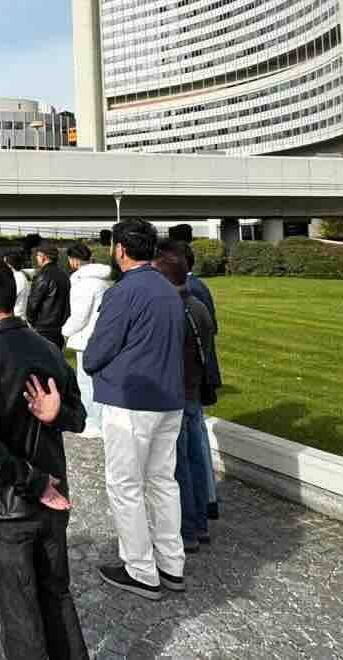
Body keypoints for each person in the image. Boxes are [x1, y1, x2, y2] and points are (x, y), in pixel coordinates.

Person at [0, 262, 89, 659]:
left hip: (7, 507)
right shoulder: (48, 348)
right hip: (50, 496)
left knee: (20, 610)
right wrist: (59, 414)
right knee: (56, 595)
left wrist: (55, 414)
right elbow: (79, 416)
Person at [84, 220, 188, 600]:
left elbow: (101, 346)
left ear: (121, 251)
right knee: (162, 482)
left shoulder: (124, 291)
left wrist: (90, 364)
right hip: (168, 397)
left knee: (126, 485)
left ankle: (141, 569)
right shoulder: (167, 287)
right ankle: (171, 563)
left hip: (131, 400)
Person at [155, 242, 219, 554]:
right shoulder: (199, 306)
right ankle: (200, 524)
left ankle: (188, 528)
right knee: (194, 458)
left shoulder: (173, 312)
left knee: (178, 465)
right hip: (192, 392)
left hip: (177, 394)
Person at [61, 243, 115, 433]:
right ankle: (99, 421)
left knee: (86, 382)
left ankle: (93, 423)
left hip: (85, 339)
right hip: (101, 336)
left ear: (73, 260)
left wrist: (64, 332)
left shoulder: (83, 283)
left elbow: (79, 316)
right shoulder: (102, 281)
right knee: (98, 381)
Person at [26, 245, 72, 350]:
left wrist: (31, 321)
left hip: (44, 327)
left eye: (37, 255)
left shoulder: (42, 275)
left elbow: (33, 303)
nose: (37, 258)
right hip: (61, 325)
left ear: (43, 257)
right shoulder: (64, 274)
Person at [4, 251, 31, 319]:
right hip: (21, 314)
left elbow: (11, 297)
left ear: (9, 265)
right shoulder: (21, 275)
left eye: (5, 263)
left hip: (18, 315)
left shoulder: (17, 277)